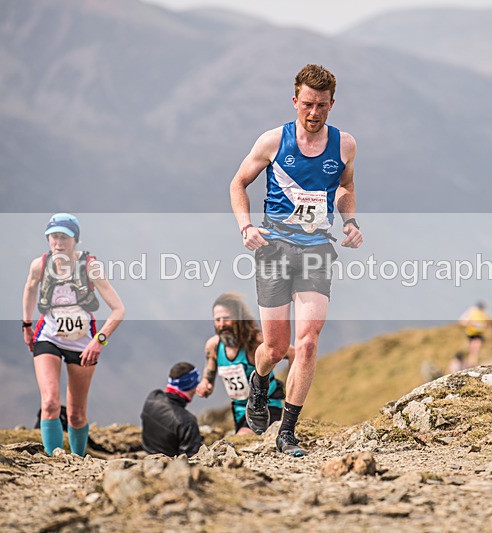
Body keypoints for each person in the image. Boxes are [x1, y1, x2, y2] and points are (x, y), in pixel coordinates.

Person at [229, 64, 363, 457]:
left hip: (316, 249)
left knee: (306, 342)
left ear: (332, 104)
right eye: (307, 104)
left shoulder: (345, 145)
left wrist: (350, 220)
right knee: (274, 347)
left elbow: (346, 186)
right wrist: (245, 227)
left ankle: (286, 431)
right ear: (295, 101)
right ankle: (259, 382)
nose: (314, 112)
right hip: (273, 250)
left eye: (322, 105)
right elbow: (238, 183)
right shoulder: (272, 142)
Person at [22, 213, 125, 456]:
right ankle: (54, 460)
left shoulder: (90, 267)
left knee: (77, 413)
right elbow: (29, 289)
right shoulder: (39, 265)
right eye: (54, 237)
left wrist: (99, 341)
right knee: (49, 404)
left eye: (64, 238)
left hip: (83, 343)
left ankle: (78, 461)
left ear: (75, 240)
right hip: (48, 337)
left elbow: (119, 310)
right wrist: (26, 324)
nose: (58, 243)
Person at [196, 292, 295, 435]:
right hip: (239, 409)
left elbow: (292, 353)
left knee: (240, 440)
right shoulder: (213, 346)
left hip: (267, 406)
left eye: (227, 318)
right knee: (241, 441)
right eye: (217, 320)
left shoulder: (256, 341)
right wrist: (205, 385)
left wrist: (290, 386)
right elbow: (209, 377)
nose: (222, 324)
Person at [140, 362, 202, 457]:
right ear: (190, 385)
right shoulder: (187, 422)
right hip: (170, 467)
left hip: (147, 457)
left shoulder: (153, 397)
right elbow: (191, 458)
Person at [459, 301, 488, 368]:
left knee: (475, 349)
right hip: (472, 333)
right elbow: (463, 321)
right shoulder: (472, 312)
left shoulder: (482, 313)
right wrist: (469, 323)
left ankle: (473, 363)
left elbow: (485, 323)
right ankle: (471, 364)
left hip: (477, 333)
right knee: (472, 349)